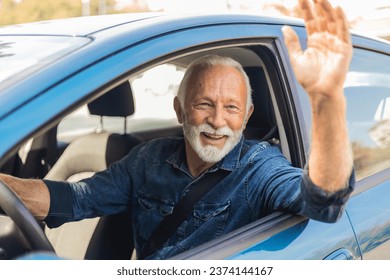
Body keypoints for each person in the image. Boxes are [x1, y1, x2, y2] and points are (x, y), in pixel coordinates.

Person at [0, 0, 355, 259]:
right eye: (204, 104)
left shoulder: (260, 169)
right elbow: (74, 199)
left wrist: (326, 101)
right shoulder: (147, 159)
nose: (217, 121)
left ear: (246, 116)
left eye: (231, 108)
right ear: (180, 110)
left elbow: (324, 200)